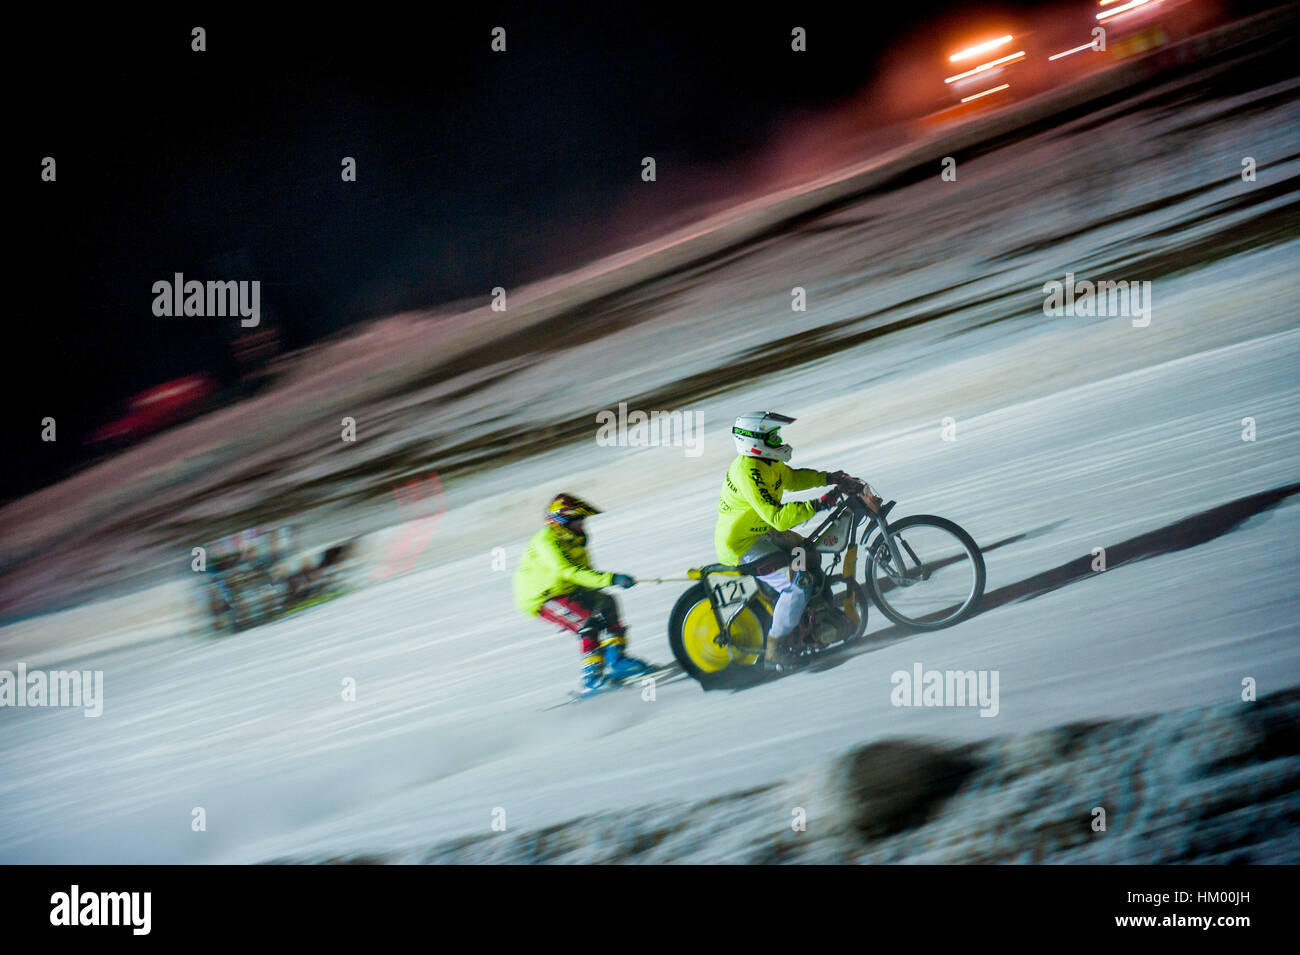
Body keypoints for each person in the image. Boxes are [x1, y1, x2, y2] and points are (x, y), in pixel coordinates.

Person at [715, 411, 878, 667]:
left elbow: (791, 479)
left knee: (809, 553)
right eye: (772, 436)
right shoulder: (748, 472)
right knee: (798, 582)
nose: (778, 439)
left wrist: (829, 478)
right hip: (742, 546)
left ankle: (811, 618)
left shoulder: (768, 463)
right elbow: (777, 518)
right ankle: (775, 646)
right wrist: (820, 504)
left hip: (761, 533)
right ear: (755, 442)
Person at [514, 493, 651, 693]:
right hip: (544, 596)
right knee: (587, 623)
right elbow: (569, 571)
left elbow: (583, 571)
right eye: (577, 522)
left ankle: (617, 660)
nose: (582, 526)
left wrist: (599, 591)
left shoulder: (575, 539)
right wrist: (611, 578)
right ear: (561, 523)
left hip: (568, 588)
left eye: (582, 522)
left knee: (607, 603)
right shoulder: (547, 542)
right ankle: (591, 678)